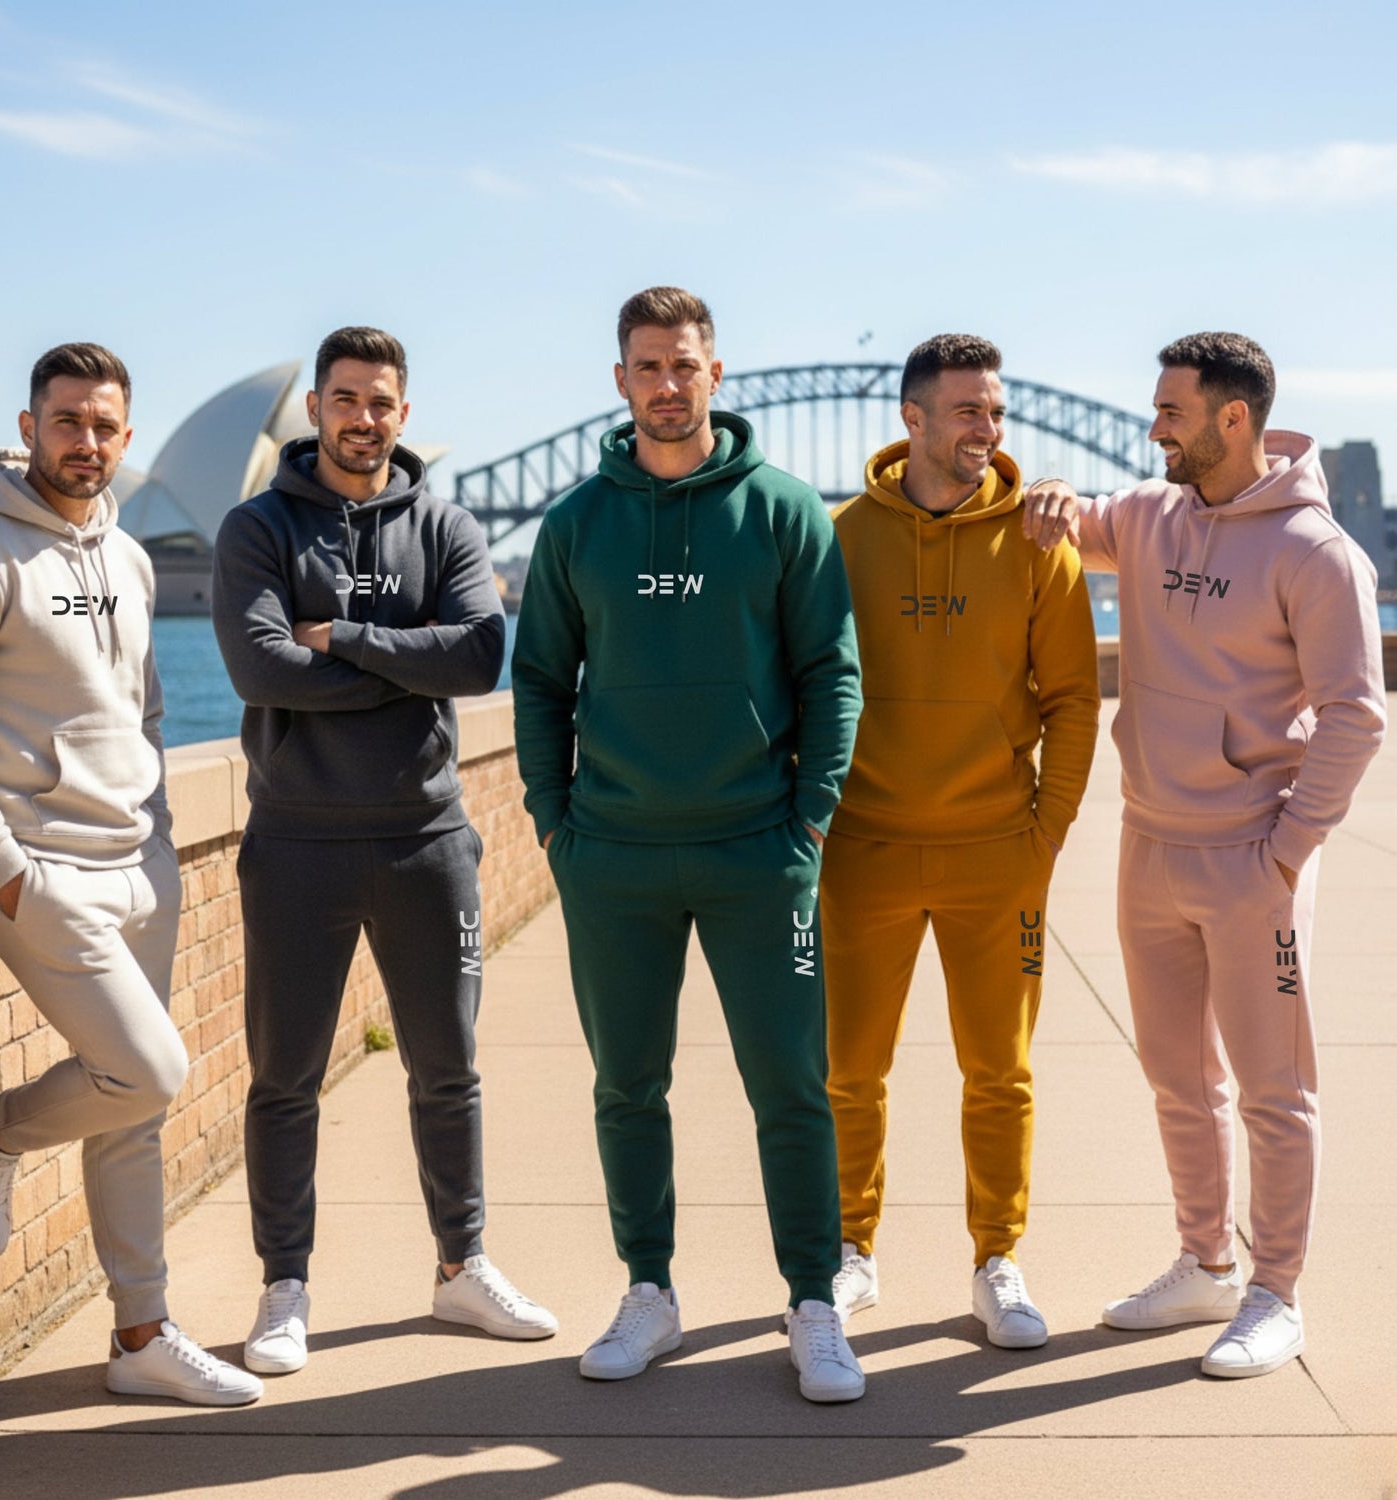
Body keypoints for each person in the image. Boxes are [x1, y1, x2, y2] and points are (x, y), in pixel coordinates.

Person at [512, 287, 866, 1403]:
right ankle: (649, 1292)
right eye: (649, 366)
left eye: (687, 365)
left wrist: (809, 815)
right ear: (620, 380)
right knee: (628, 1086)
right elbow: (537, 682)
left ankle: (813, 1300)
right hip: (613, 854)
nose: (670, 384)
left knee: (792, 1087)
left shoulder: (785, 511)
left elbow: (831, 674)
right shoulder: (575, 524)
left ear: (720, 375)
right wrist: (554, 821)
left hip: (760, 850)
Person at [0, 344, 261, 1405]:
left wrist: (152, 827)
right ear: (30, 424)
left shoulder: (132, 559)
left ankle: (141, 1336)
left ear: (127, 438)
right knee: (147, 1071)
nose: (85, 442)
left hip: (135, 861)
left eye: (104, 426)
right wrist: (5, 870)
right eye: (67, 421)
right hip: (39, 872)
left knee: (131, 1111)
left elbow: (143, 710)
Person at [1024, 332, 1385, 1377]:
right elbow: (1062, 525)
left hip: (1251, 863)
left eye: (1171, 413)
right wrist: (1048, 486)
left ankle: (1277, 1291)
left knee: (1275, 1088)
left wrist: (1285, 852)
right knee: (1178, 1077)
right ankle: (1203, 1262)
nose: (1153, 429)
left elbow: (1356, 717)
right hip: (1150, 844)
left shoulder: (1317, 553)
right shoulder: (1147, 515)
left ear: (1235, 420)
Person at [212, 325, 556, 1377]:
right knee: (285, 1076)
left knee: (446, 1070)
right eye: (347, 398)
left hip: (427, 841)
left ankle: (462, 1268)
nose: (366, 418)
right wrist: (408, 665)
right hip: (298, 841)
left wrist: (344, 639)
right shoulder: (256, 526)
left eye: (383, 402)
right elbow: (262, 670)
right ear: (315, 407)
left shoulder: (444, 524)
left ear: (404, 414)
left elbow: (482, 653)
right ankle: (285, 1286)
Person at [819, 335, 1099, 1349]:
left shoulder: (1039, 542)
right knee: (849, 1072)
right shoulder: (843, 536)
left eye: (997, 413)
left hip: (997, 853)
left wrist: (1046, 834)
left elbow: (1073, 699)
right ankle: (849, 1252)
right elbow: (801, 682)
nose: (987, 430)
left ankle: (997, 1259)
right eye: (968, 412)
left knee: (1001, 1073)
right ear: (914, 421)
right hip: (864, 849)